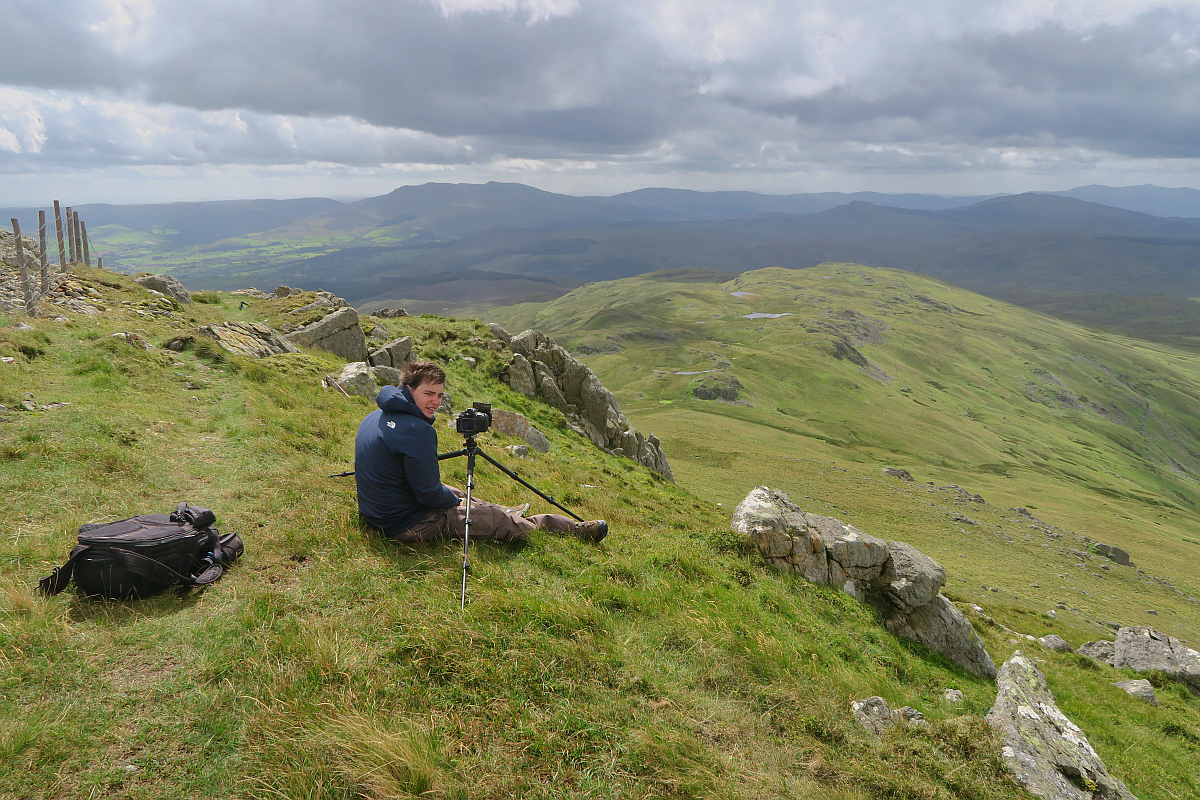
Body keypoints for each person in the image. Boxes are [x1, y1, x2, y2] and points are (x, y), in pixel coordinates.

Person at [354, 361, 608, 544]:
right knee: (490, 517)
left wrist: (454, 498)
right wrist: (456, 504)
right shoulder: (416, 430)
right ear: (408, 389)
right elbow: (429, 495)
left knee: (453, 491)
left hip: (377, 512)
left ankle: (500, 510)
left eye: (440, 395)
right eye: (428, 394)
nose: (435, 402)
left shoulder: (376, 415)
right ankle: (571, 529)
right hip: (406, 524)